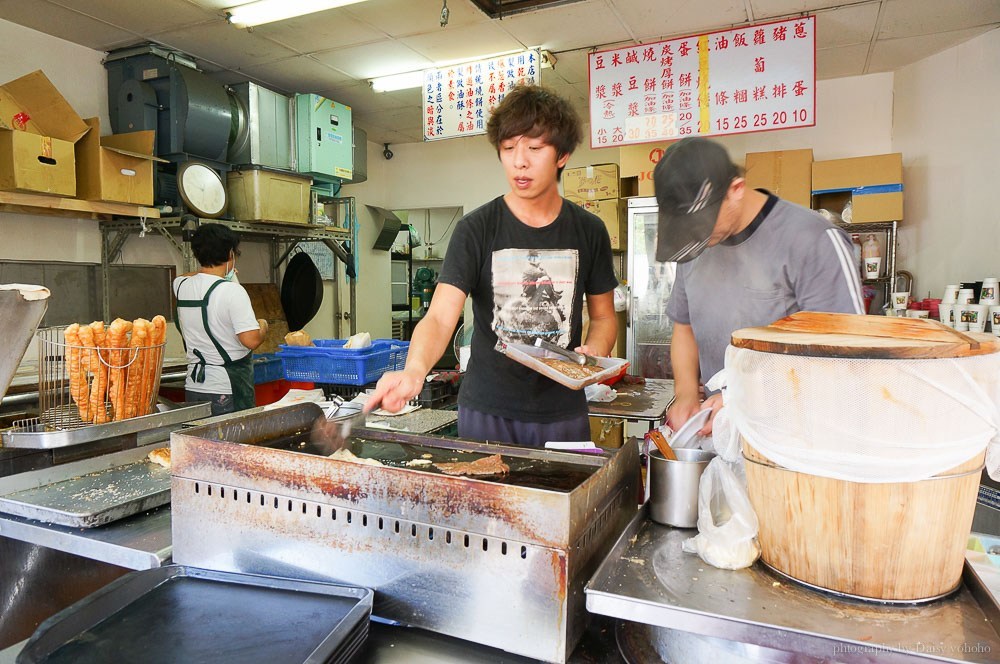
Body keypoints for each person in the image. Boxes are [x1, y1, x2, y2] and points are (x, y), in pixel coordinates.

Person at [367, 85, 619, 446]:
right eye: (508, 149)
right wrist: (413, 371)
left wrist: (594, 351)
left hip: (561, 411)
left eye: (534, 148)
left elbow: (605, 317)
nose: (519, 161)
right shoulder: (476, 229)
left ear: (562, 155)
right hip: (487, 411)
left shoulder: (588, 231)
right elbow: (439, 317)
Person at [658, 137, 864, 435]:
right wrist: (686, 391)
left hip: (795, 439)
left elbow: (846, 356)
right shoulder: (695, 246)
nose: (694, 235)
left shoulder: (812, 240)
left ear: (736, 189)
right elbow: (684, 326)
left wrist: (746, 399)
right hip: (720, 435)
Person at [173, 223, 269, 416]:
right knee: (234, 446)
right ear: (230, 254)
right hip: (227, 390)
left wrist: (213, 274)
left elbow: (188, 276)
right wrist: (263, 325)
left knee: (200, 445)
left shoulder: (180, 286)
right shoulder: (232, 291)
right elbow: (250, 340)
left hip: (195, 386)